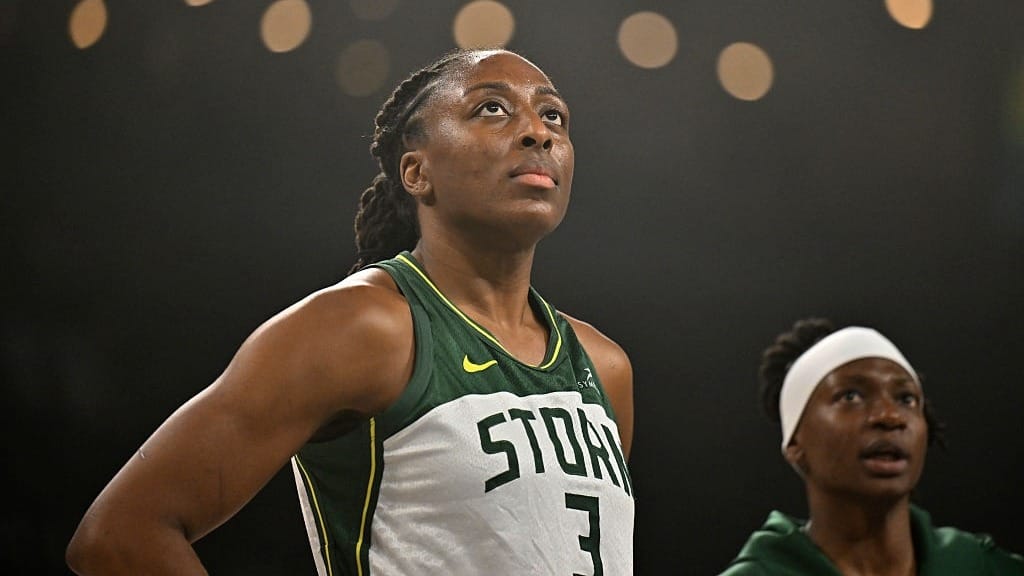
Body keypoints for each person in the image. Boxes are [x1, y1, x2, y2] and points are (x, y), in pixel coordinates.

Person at [66, 48, 635, 575]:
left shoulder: (603, 365)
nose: (538, 132)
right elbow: (119, 533)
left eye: (554, 117)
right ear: (417, 173)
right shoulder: (362, 327)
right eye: (492, 109)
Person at [720, 317, 1024, 575]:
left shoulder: (980, 566)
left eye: (906, 399)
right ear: (795, 442)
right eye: (850, 396)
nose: (890, 416)